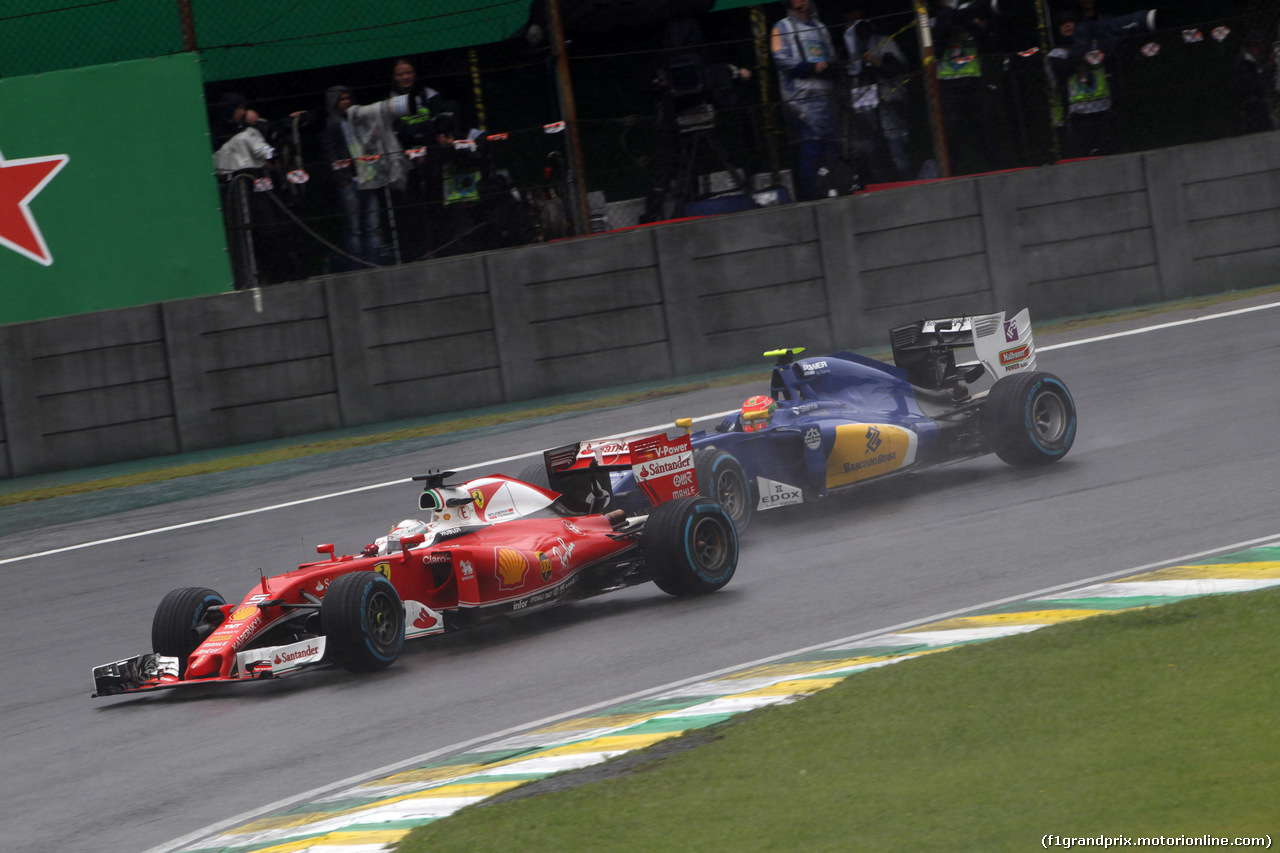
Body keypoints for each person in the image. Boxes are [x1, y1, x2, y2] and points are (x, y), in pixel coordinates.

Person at [321, 84, 413, 269]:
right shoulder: (332, 124)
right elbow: (330, 153)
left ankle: (374, 265)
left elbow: (369, 144)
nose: (346, 102)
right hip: (350, 181)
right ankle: (356, 268)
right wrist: (343, 180)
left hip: (368, 179)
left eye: (348, 98)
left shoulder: (359, 118)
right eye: (341, 99)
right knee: (354, 229)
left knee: (373, 226)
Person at [771, 0, 841, 200]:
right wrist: (808, 68)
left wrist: (830, 68)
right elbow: (780, 59)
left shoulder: (820, 27)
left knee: (831, 148)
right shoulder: (782, 27)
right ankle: (811, 196)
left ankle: (834, 190)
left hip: (825, 97)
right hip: (801, 100)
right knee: (811, 149)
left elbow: (830, 55)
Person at [929, 0, 1003, 174]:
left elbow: (986, 41)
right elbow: (938, 41)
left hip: (973, 78)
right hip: (948, 81)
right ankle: (950, 171)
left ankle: (996, 168)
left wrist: (972, 23)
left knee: (985, 127)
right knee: (950, 131)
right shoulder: (935, 18)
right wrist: (949, 13)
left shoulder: (973, 11)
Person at [842, 7, 912, 183]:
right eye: (850, 25)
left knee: (897, 152)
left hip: (889, 103)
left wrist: (875, 62)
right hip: (865, 109)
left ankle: (908, 184)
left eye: (858, 24)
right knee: (871, 155)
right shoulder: (849, 52)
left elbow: (895, 70)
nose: (855, 30)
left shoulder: (883, 43)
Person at [1049, 9, 1118, 157]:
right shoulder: (1056, 53)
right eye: (1062, 24)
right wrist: (1084, 51)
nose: (1067, 26)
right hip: (1078, 112)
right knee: (1081, 154)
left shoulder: (1097, 44)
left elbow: (1111, 56)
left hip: (1103, 107)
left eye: (1070, 22)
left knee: (1108, 152)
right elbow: (1065, 67)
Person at [1235, 28, 1279, 135]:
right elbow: (1256, 86)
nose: (1259, 49)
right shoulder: (1245, 65)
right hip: (1254, 111)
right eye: (1254, 46)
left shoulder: (1265, 61)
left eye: (1261, 45)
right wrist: (1269, 69)